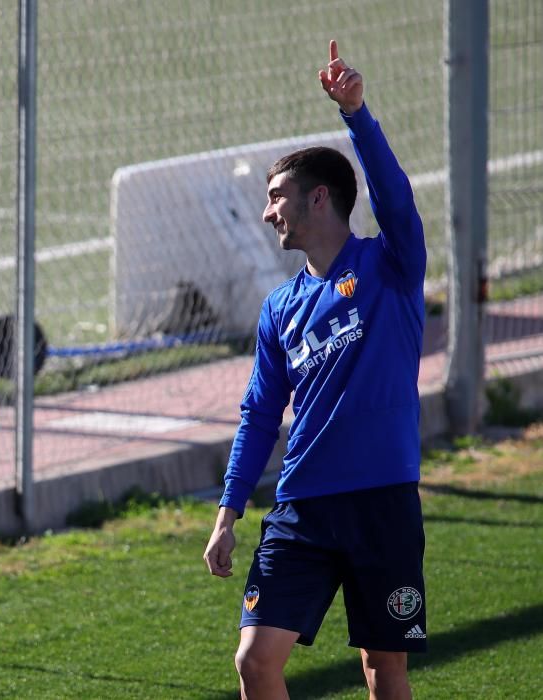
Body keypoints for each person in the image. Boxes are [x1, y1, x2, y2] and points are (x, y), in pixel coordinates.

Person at [203, 41, 427, 700]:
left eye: (277, 196)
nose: (268, 210)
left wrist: (355, 115)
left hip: (381, 502)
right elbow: (258, 415)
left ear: (319, 199)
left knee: (381, 667)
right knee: (254, 660)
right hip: (301, 507)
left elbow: (393, 196)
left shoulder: (388, 266)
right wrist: (227, 511)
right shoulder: (279, 308)